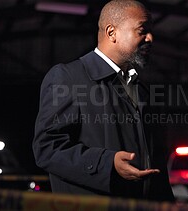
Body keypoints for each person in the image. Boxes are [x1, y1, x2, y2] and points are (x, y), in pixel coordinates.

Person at [32, 0, 174, 201]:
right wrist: (108, 164)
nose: (150, 38)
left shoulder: (141, 91)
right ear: (111, 33)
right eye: (142, 30)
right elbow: (47, 148)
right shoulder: (68, 78)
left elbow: (156, 162)